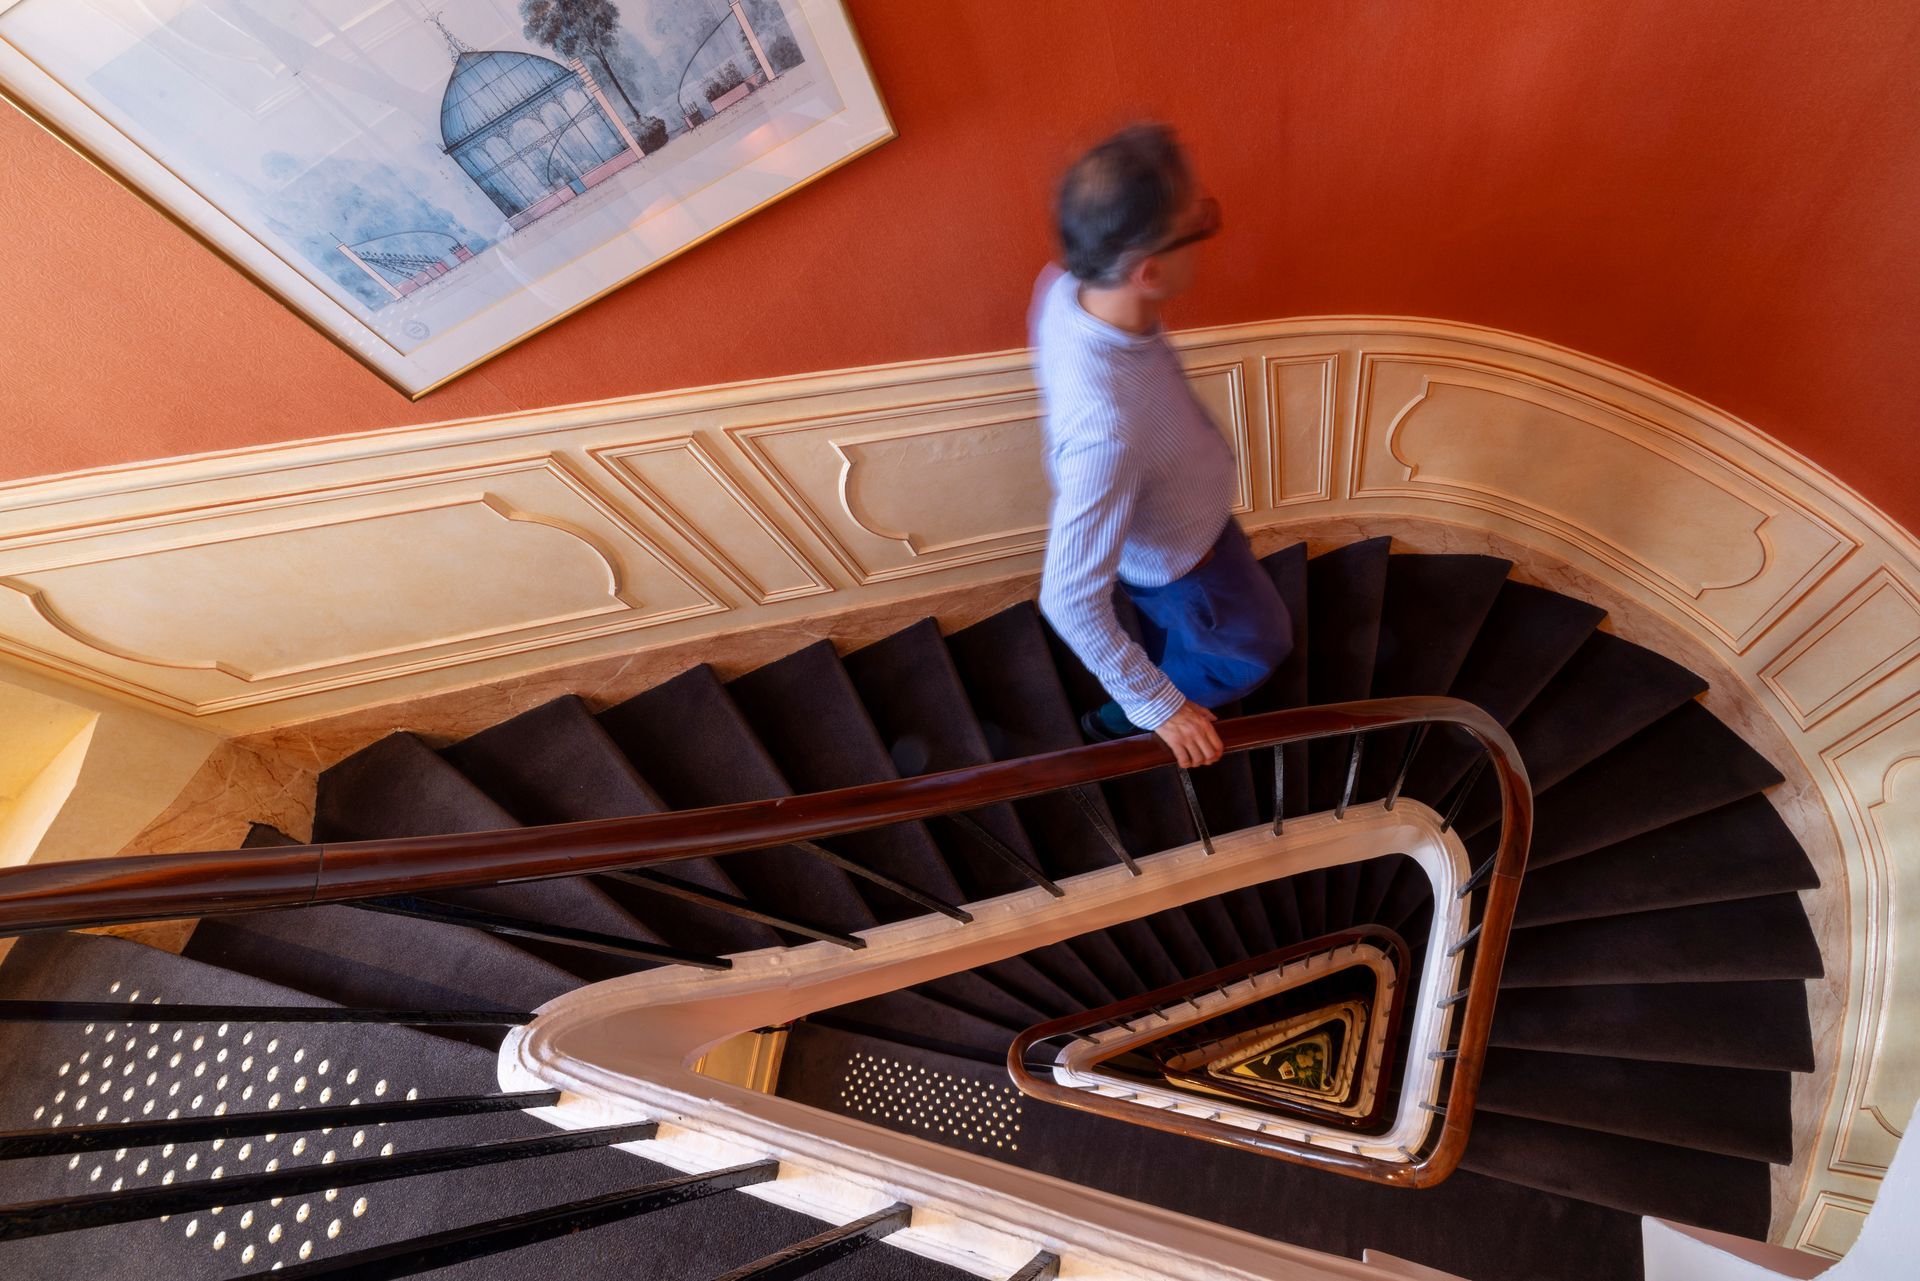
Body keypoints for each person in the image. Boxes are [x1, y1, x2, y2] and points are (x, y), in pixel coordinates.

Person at [1033, 123, 1293, 770]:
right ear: (1148, 273)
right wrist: (1158, 705)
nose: (1209, 230)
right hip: (1186, 569)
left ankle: (1156, 668)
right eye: (1198, 224)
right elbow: (1067, 596)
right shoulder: (1108, 430)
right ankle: (1118, 721)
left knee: (1177, 630)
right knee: (1260, 644)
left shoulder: (1066, 291)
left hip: (1173, 535)